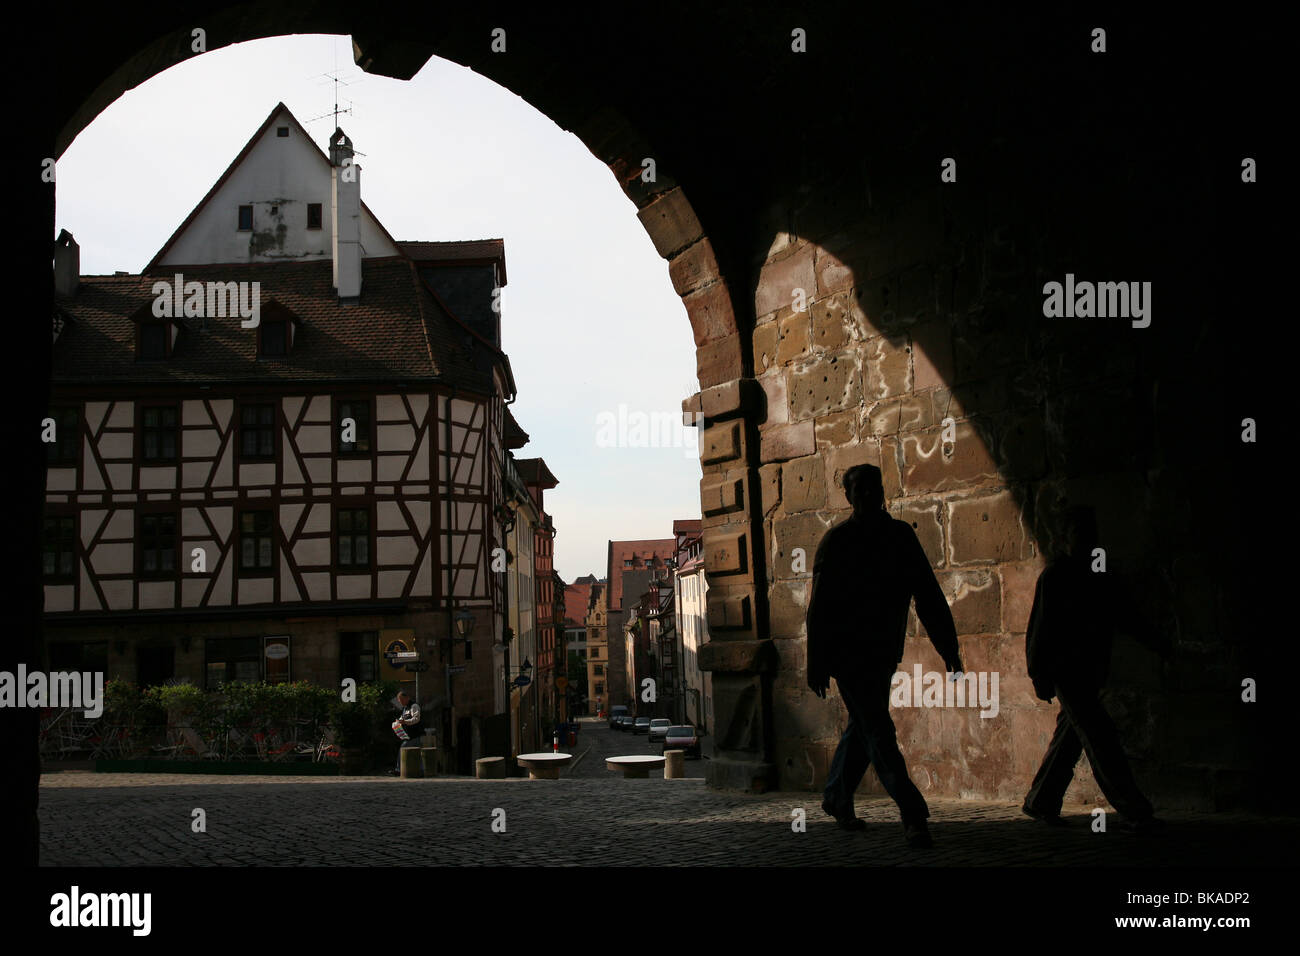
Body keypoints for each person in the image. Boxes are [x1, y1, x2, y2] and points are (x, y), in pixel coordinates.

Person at [807, 463, 963, 847]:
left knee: (864, 727)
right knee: (879, 730)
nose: (867, 494)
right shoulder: (837, 541)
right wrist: (817, 661)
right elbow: (820, 609)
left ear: (881, 491)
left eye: (872, 487)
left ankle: (836, 797)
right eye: (859, 488)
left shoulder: (899, 538)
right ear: (849, 496)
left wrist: (949, 648)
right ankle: (913, 814)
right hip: (848, 657)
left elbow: (928, 596)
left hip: (881, 653)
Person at [1022, 505, 1166, 832]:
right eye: (1079, 534)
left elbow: (1127, 617)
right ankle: (1135, 809)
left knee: (1072, 737)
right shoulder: (1058, 577)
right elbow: (1040, 631)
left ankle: (1041, 800)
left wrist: (1157, 642)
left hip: (1085, 671)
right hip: (1069, 672)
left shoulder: (1095, 576)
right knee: (1101, 738)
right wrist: (1040, 674)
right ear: (1065, 538)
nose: (1086, 541)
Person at [388, 689, 423, 776]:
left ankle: (399, 769)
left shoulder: (414, 706)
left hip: (414, 735)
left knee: (406, 749)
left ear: (407, 698)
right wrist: (397, 722)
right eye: (400, 701)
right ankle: (419, 771)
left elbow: (416, 719)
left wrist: (405, 722)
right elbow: (402, 718)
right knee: (415, 754)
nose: (401, 702)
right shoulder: (405, 708)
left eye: (402, 700)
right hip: (408, 735)